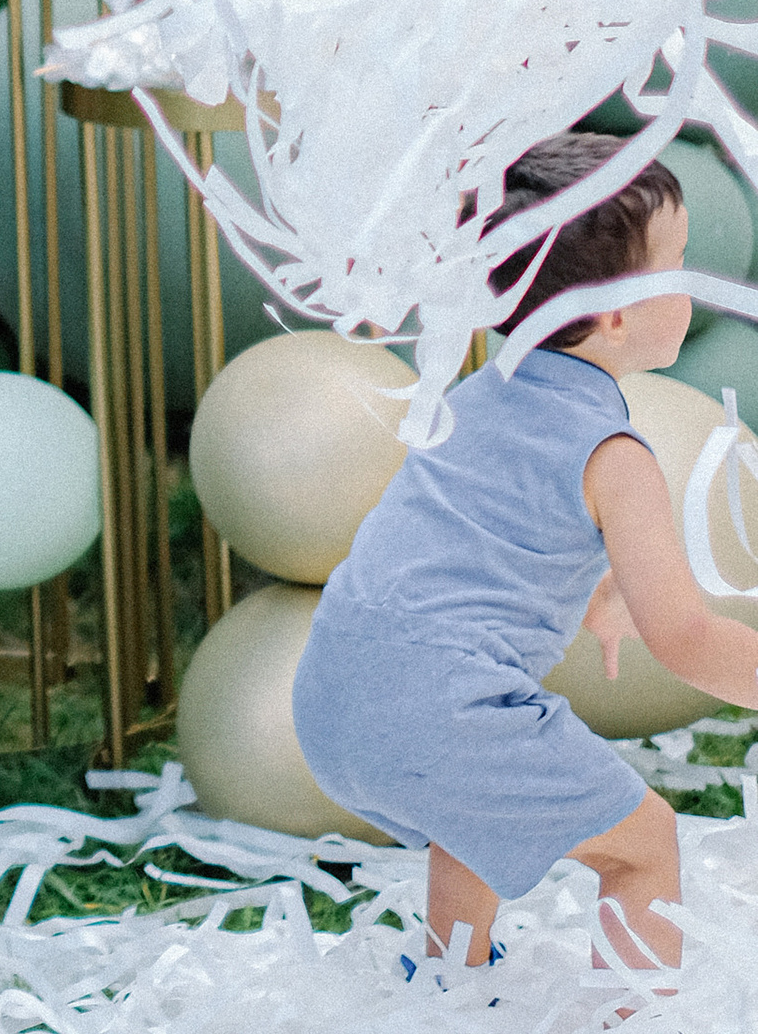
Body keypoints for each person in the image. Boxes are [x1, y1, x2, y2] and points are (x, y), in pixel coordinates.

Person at [292, 130, 756, 989]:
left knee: (469, 810)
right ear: (616, 315)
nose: (692, 286)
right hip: (444, 709)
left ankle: (449, 980)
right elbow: (687, 639)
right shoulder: (614, 454)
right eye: (678, 267)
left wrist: (605, 592)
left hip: (330, 696)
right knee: (644, 844)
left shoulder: (478, 395)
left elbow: (482, 536)